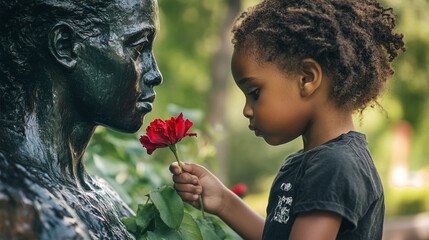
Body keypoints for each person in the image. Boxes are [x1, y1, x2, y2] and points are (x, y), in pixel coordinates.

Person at [170, 0, 405, 239]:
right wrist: (222, 201)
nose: (246, 110)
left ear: (307, 79)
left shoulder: (334, 166)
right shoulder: (315, 162)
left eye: (255, 93)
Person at [0, 0, 161, 238]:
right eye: (138, 49)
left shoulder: (107, 199)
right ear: (65, 47)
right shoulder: (14, 203)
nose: (155, 74)